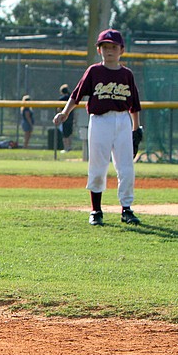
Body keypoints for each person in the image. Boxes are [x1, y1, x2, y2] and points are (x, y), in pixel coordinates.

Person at [53, 29, 142, 226]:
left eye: (113, 47)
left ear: (121, 50)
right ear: (99, 49)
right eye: (105, 47)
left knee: (126, 167)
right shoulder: (94, 71)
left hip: (122, 120)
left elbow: (134, 105)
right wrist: (65, 113)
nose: (109, 50)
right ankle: (96, 210)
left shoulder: (127, 74)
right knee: (98, 165)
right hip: (100, 121)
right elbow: (76, 95)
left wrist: (136, 130)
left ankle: (126, 209)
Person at [57, 83, 74, 152]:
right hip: (71, 118)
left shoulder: (61, 99)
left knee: (65, 134)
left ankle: (66, 148)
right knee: (69, 133)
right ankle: (69, 147)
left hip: (64, 119)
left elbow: (59, 109)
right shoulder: (71, 98)